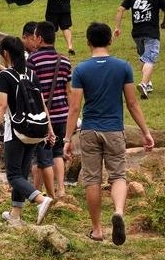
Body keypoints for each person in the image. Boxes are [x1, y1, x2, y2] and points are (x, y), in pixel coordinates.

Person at [64, 22, 155, 245]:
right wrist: (146, 132)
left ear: (87, 42)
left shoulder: (81, 70)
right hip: (114, 129)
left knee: (92, 179)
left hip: (90, 131)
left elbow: (75, 108)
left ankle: (96, 230)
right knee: (118, 176)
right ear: (110, 41)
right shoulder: (122, 67)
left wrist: (67, 139)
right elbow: (132, 103)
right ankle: (118, 211)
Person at [0, 36, 54, 226]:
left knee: (13, 175)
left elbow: (2, 105)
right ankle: (15, 215)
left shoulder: (5, 76)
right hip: (36, 129)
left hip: (16, 130)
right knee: (21, 173)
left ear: (6, 53)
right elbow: (42, 103)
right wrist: (49, 129)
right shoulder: (32, 74)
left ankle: (41, 200)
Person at [27, 20, 72, 199]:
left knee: (42, 157)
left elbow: (31, 90)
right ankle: (61, 189)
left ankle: (46, 194)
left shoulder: (33, 61)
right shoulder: (65, 61)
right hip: (62, 115)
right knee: (58, 153)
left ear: (39, 38)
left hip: (43, 117)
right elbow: (68, 91)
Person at [114, 0, 165, 100]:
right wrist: (163, 23)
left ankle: (148, 83)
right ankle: (144, 84)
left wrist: (117, 27)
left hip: (137, 34)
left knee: (143, 58)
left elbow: (120, 10)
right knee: (150, 59)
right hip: (151, 33)